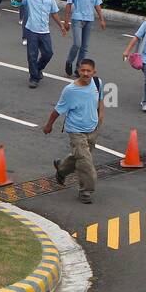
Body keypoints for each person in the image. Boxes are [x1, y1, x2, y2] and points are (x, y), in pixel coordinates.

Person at [44, 58, 103, 204]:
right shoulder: (70, 90)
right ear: (78, 71)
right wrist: (49, 125)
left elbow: (100, 100)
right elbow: (58, 110)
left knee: (79, 156)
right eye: (82, 70)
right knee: (85, 162)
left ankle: (62, 169)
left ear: (94, 72)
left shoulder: (97, 82)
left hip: (93, 129)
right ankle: (86, 191)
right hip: (76, 131)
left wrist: (100, 117)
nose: (85, 73)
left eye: (88, 71)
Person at [23, 0, 67, 88]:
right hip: (32, 29)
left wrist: (61, 26)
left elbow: (54, 12)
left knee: (48, 53)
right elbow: (15, 1)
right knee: (32, 55)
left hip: (44, 31)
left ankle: (38, 68)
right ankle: (33, 78)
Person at [63, 0, 104, 77]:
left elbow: (97, 4)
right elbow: (69, 3)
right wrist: (66, 21)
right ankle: (69, 61)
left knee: (84, 47)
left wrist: (101, 19)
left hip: (89, 19)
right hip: (77, 18)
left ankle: (79, 68)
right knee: (77, 44)